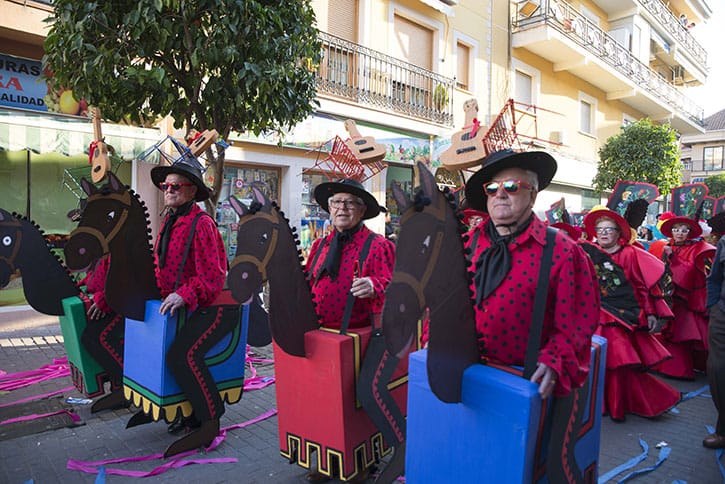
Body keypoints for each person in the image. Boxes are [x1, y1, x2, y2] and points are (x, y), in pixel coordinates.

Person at [463, 149, 600, 481]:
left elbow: (578, 320)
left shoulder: (563, 250)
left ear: (533, 194)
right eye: (492, 188)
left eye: (511, 186)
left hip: (529, 384)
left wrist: (555, 359)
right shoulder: (468, 242)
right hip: (473, 377)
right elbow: (446, 301)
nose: (500, 194)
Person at [305, 178, 397, 482]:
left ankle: (362, 462)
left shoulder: (379, 245)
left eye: (349, 203)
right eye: (336, 203)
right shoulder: (320, 245)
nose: (341, 208)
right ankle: (330, 458)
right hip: (324, 338)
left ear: (361, 210)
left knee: (355, 403)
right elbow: (308, 281)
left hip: (362, 338)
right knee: (326, 401)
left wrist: (374, 284)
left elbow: (396, 283)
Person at [147, 154, 233, 453]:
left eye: (176, 186)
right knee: (165, 353)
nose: (169, 190)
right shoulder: (169, 221)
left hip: (212, 307)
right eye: (166, 186)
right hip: (183, 308)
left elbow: (213, 275)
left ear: (192, 190)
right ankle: (187, 412)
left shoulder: (202, 224)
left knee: (182, 356)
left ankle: (209, 418)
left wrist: (183, 293)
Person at [580, 208, 680, 421]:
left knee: (618, 362)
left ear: (618, 233)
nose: (603, 233)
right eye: (600, 229)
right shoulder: (589, 253)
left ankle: (617, 405)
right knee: (595, 360)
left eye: (609, 229)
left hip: (621, 318)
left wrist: (650, 313)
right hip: (594, 315)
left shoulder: (629, 254)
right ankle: (596, 404)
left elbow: (640, 286)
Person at [652, 214, 715, 379]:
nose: (679, 233)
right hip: (667, 296)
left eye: (683, 230)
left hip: (684, 299)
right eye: (676, 229)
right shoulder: (664, 245)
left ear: (689, 233)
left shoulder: (696, 248)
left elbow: (690, 271)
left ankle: (679, 369)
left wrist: (672, 257)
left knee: (681, 331)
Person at [705, 212, 725, 448]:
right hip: (722, 313)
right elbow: (714, 278)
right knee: (718, 370)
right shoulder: (724, 242)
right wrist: (713, 308)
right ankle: (723, 429)